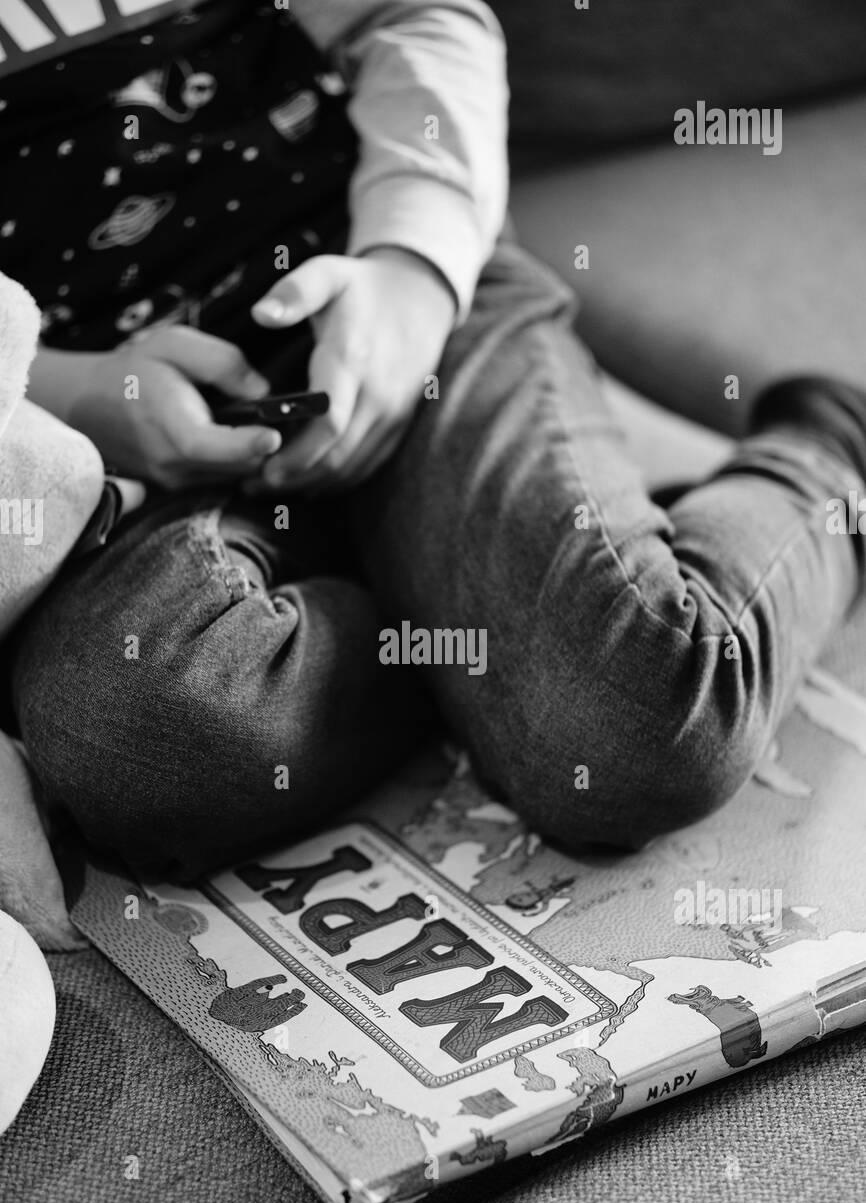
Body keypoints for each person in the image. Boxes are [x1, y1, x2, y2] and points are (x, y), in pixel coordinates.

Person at [2, 0, 866, 880]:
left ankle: (835, 458)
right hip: (102, 438)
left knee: (645, 729)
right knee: (131, 737)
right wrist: (62, 392)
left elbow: (416, 14)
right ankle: (482, 619)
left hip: (407, 304)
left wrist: (411, 277)